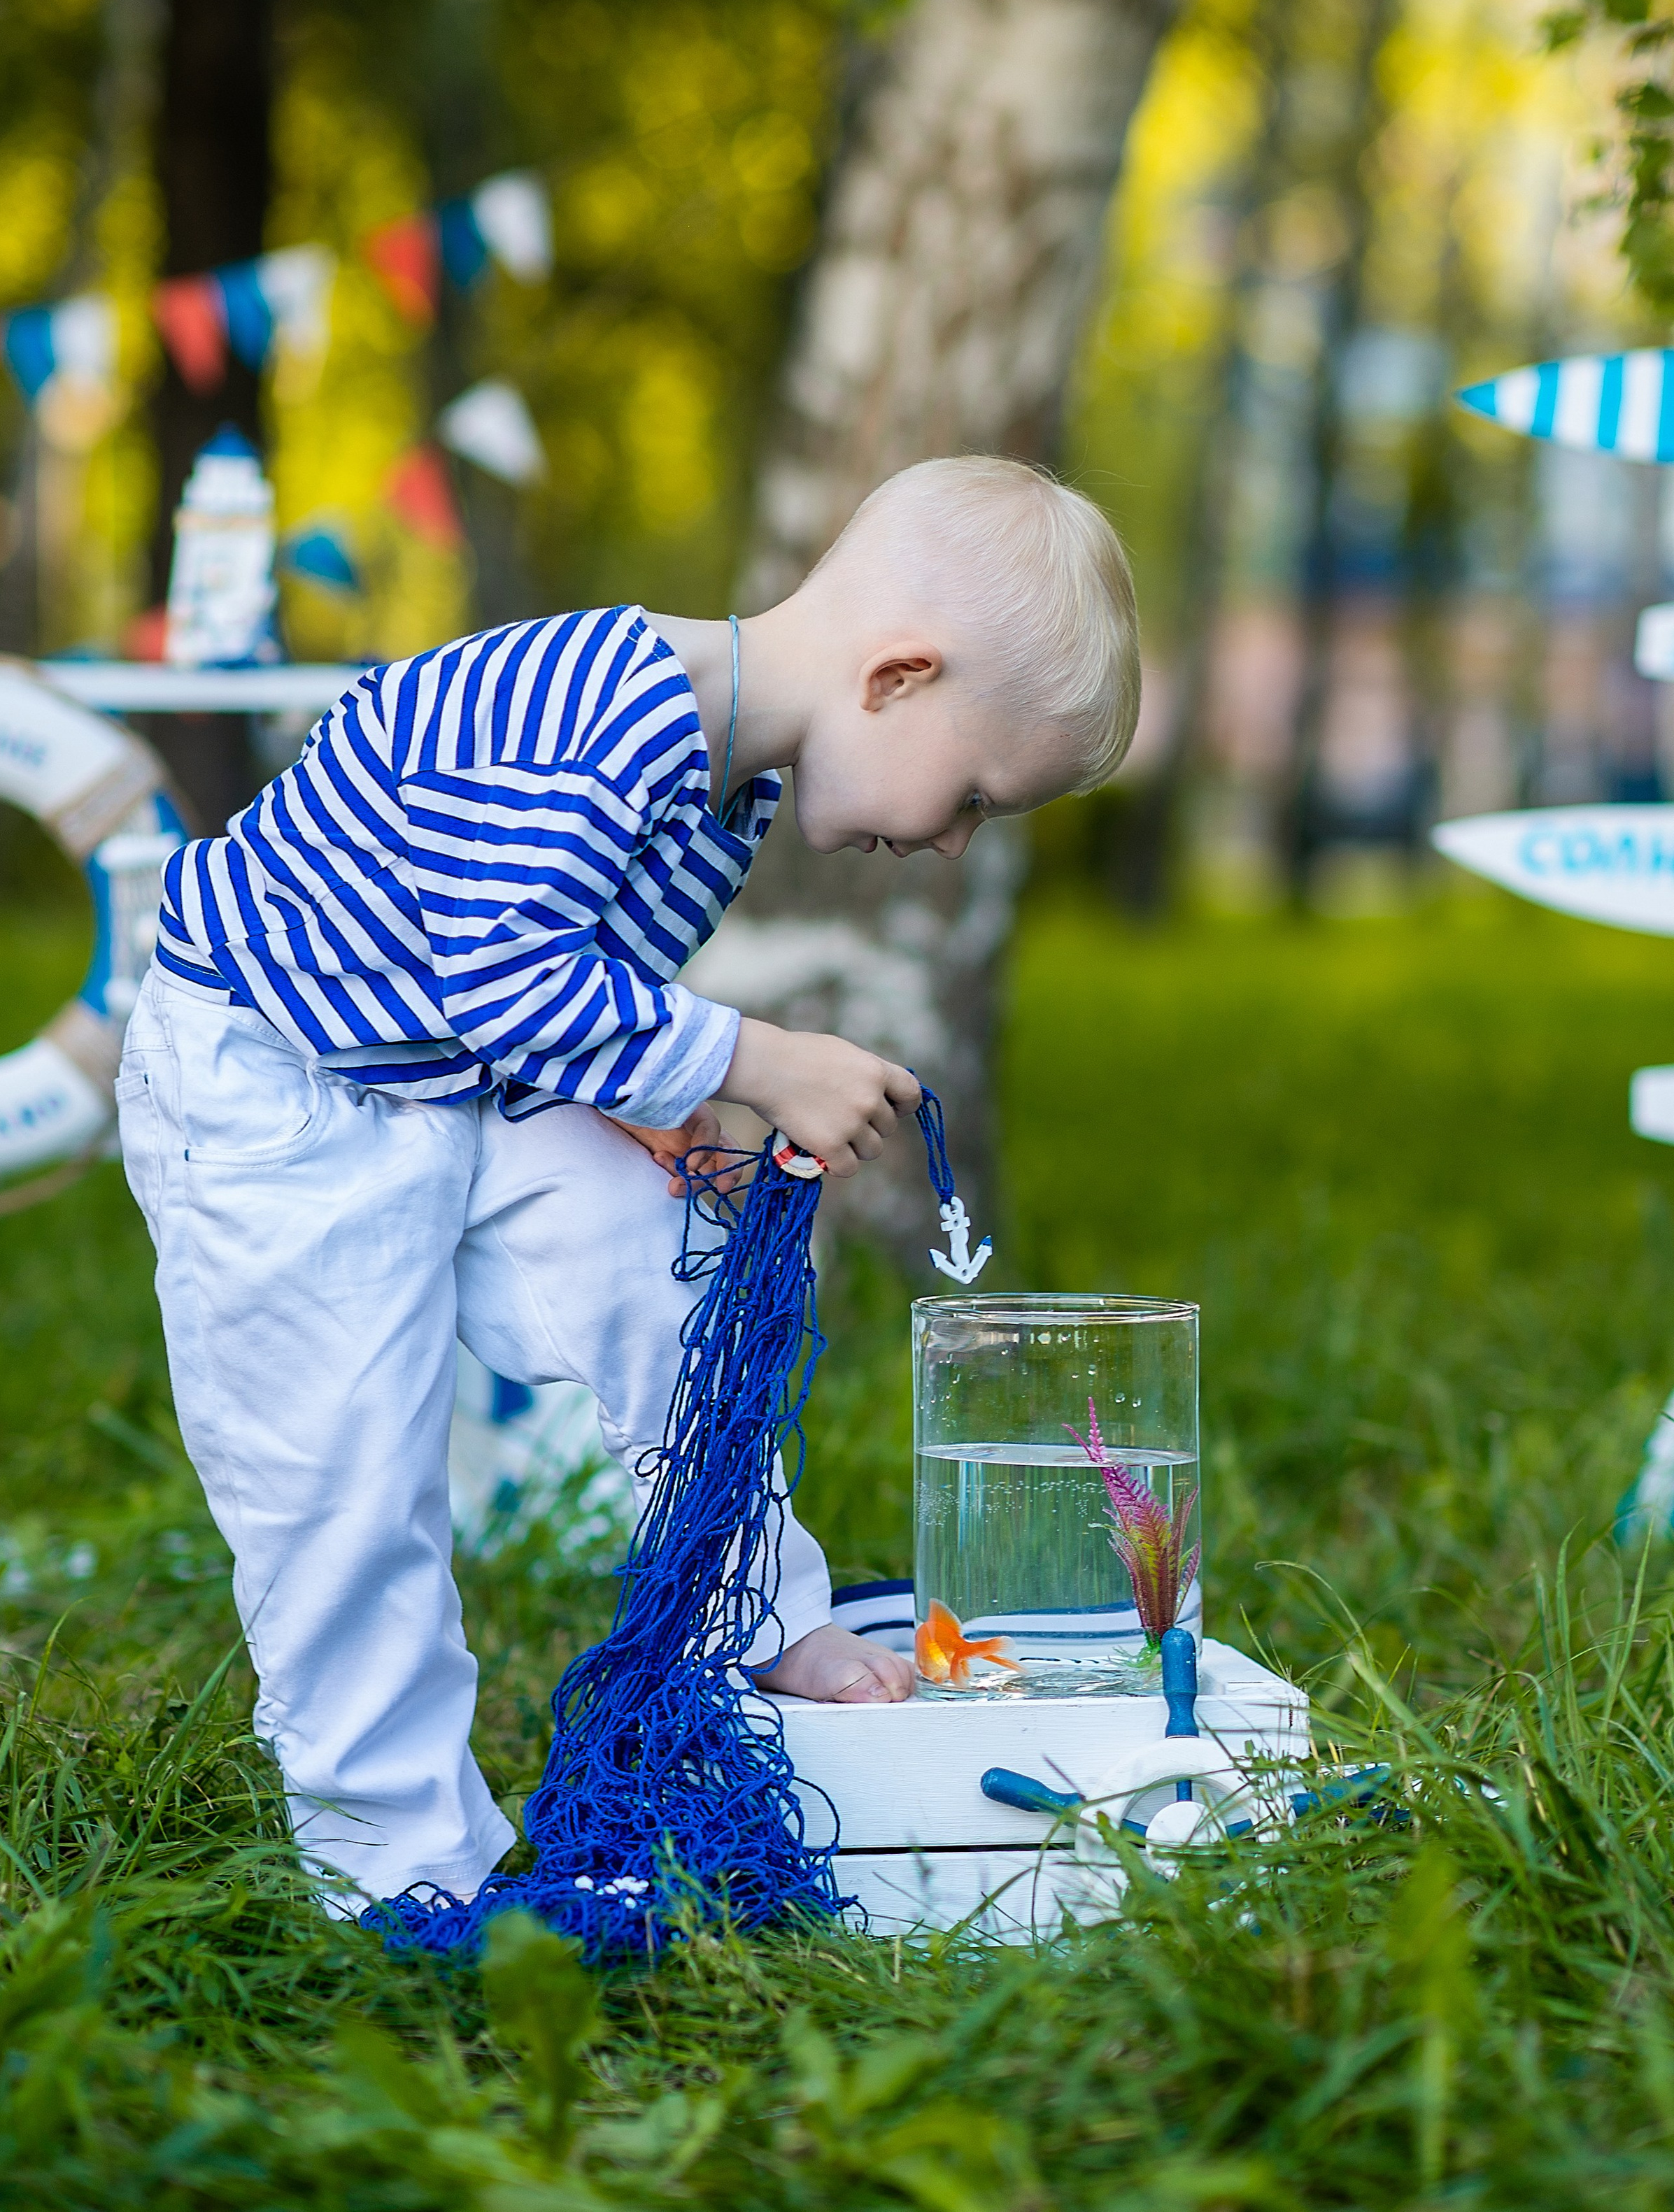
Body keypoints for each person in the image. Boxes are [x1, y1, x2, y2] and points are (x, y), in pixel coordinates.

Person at [114, 453, 1140, 1918]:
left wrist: (654, 1106)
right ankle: (398, 1871)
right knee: (341, 1488)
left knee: (666, 1281)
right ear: (898, 676)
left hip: (450, 1072)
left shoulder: (725, 775)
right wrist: (753, 1057)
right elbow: (503, 968)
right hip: (281, 1083)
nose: (952, 840)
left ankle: (760, 1612)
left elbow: (553, 982)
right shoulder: (609, 706)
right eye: (974, 794)